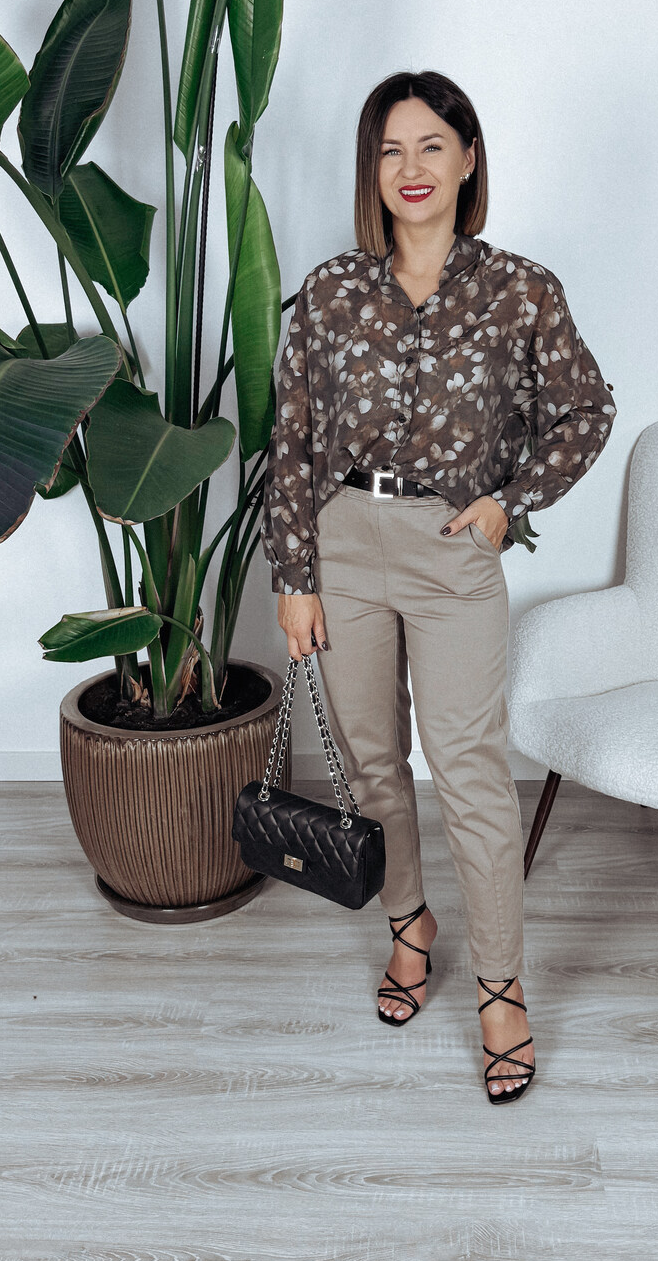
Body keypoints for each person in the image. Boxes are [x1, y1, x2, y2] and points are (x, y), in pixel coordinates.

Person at [260, 70, 616, 1104]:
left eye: (430, 146)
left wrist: (512, 500)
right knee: (373, 762)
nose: (409, 168)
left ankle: (502, 987)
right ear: (370, 170)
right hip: (344, 542)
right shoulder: (332, 291)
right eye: (389, 150)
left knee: (469, 771)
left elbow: (586, 408)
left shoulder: (520, 291)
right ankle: (409, 928)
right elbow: (292, 437)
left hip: (454, 549)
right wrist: (294, 573)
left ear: (467, 160)